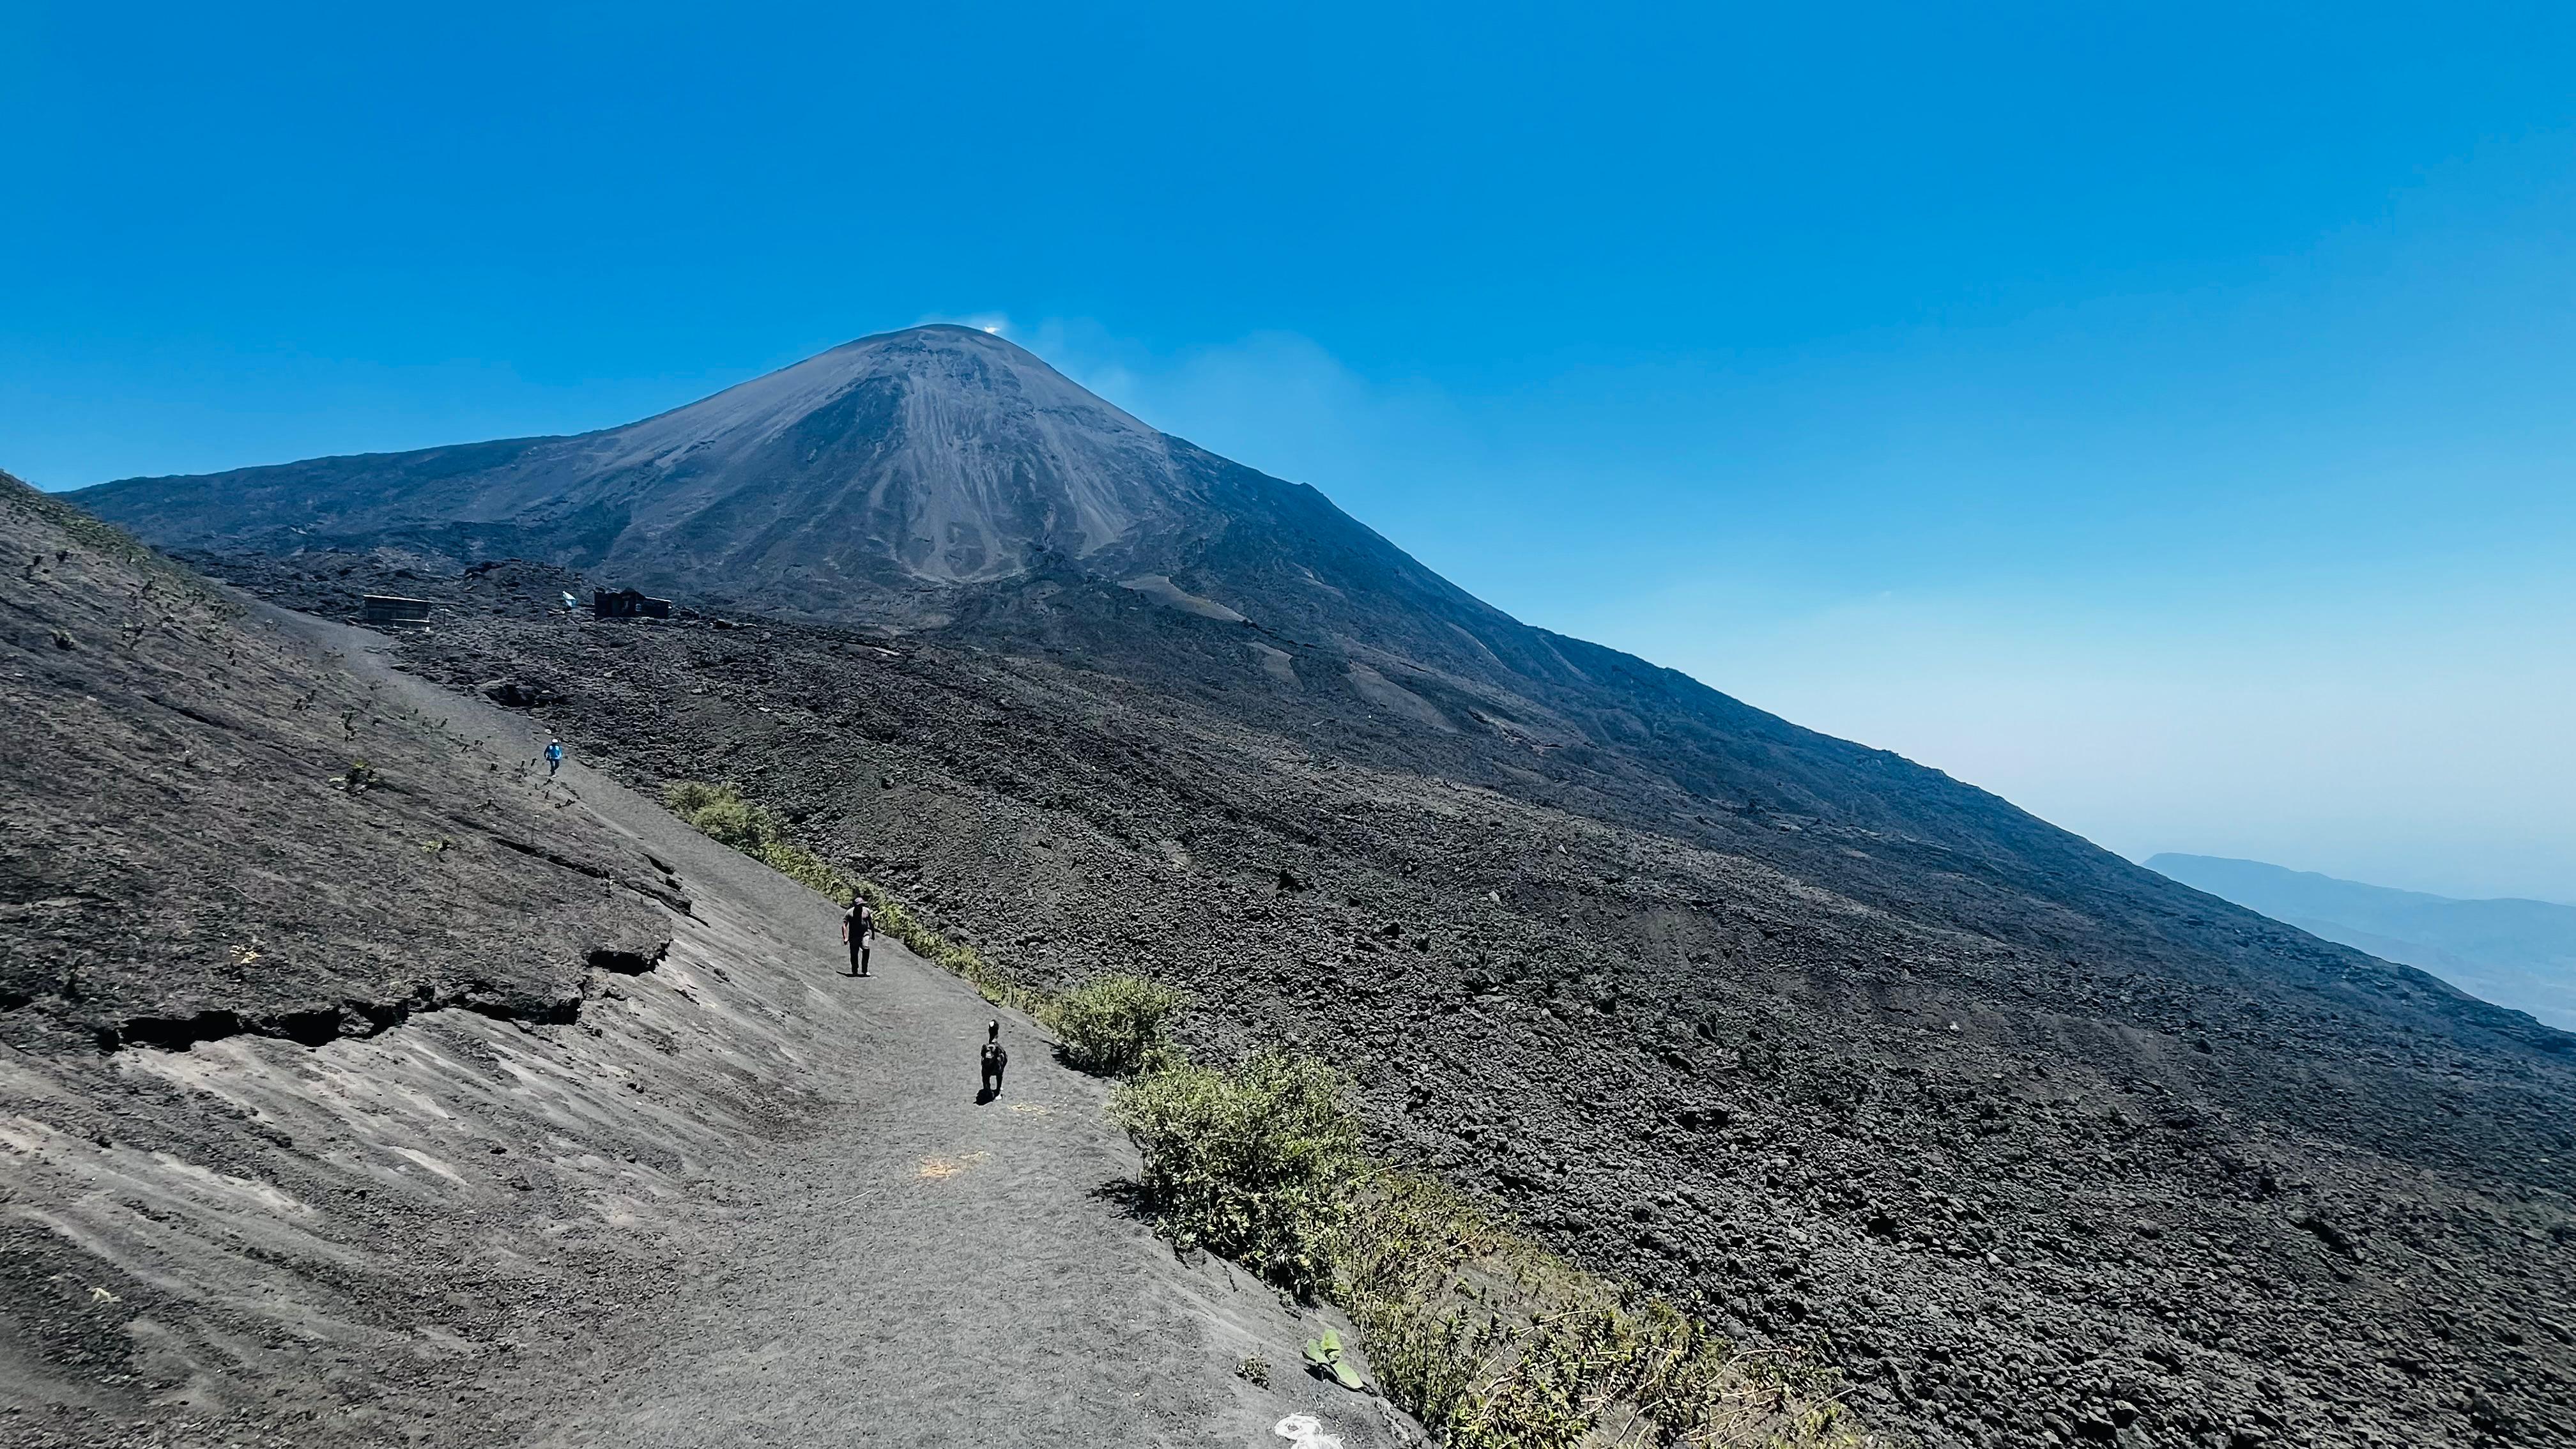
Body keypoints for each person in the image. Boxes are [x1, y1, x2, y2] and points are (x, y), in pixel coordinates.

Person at [841, 893, 873, 977]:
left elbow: (870, 922)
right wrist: (845, 937)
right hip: (854, 936)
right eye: (859, 905)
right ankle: (855, 970)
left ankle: (865, 970)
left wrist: (873, 933)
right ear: (855, 905)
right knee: (854, 954)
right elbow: (844, 925)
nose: (861, 907)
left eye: (862, 905)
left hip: (864, 934)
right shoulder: (850, 913)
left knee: (866, 949)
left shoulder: (866, 911)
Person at [979, 1020, 1009, 1096]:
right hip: (993, 1060)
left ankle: (994, 1030)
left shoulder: (998, 1062)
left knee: (999, 1074)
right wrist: (988, 1090)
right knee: (986, 1076)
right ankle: (994, 1029)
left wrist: (997, 1091)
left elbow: (1000, 1075)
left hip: (997, 1062)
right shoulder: (985, 1063)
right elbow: (985, 1079)